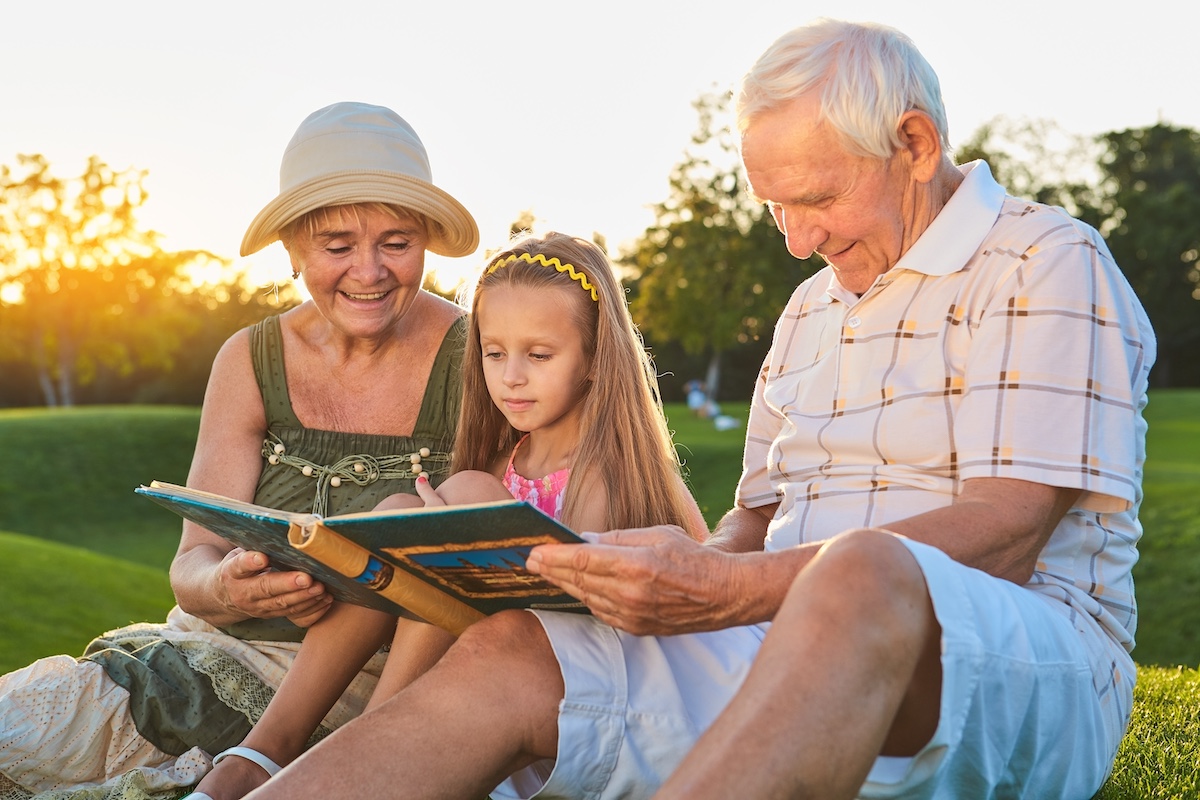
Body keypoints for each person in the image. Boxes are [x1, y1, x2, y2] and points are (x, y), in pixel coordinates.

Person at [244, 18, 1156, 800]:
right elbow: (750, 530)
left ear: (914, 145)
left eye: (818, 198)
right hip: (781, 637)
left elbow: (1007, 531)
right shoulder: (810, 311)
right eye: (776, 210)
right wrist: (658, 566)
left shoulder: (1044, 261)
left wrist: (728, 589)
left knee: (862, 572)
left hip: (1029, 664)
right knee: (521, 646)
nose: (798, 239)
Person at [0, 100, 479, 800]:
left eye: (398, 243)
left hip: (370, 693)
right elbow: (190, 566)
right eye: (337, 245)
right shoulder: (249, 360)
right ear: (292, 248)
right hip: (205, 658)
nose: (370, 272)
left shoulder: (481, 358)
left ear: (428, 241)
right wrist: (227, 585)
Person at [188, 231, 709, 799]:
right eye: (493, 352)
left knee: (461, 497)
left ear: (593, 358)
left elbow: (703, 582)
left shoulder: (616, 473)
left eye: (538, 355)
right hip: (472, 673)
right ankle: (265, 751)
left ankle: (367, 749)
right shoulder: (500, 459)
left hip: (560, 691)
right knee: (395, 512)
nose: (511, 376)